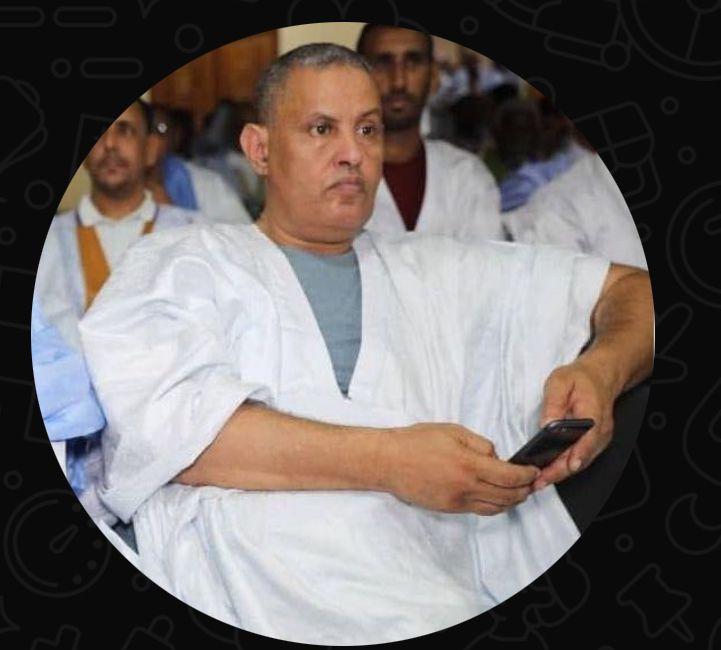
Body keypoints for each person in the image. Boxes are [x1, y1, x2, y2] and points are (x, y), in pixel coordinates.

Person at [79, 45, 653, 644]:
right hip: (247, 590)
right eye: (321, 129)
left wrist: (603, 370)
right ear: (260, 149)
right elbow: (174, 438)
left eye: (368, 129)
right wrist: (393, 461)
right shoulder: (180, 264)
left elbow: (632, 291)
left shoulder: (438, 268)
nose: (352, 153)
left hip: (427, 592)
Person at [34, 99, 198, 520]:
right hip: (72, 460)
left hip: (181, 458)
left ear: (151, 149)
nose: (109, 145)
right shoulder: (47, 241)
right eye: (100, 134)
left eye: (124, 130)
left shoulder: (194, 234)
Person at [356, 25, 503, 239]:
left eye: (413, 62)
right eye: (383, 63)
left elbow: (487, 259)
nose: (398, 81)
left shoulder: (466, 176)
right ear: (357, 77)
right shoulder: (331, 173)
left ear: (434, 76)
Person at [147, 104, 253, 225]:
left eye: (160, 129)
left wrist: (175, 214)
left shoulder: (207, 183)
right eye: (146, 129)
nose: (152, 138)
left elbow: (240, 231)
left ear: (175, 137)